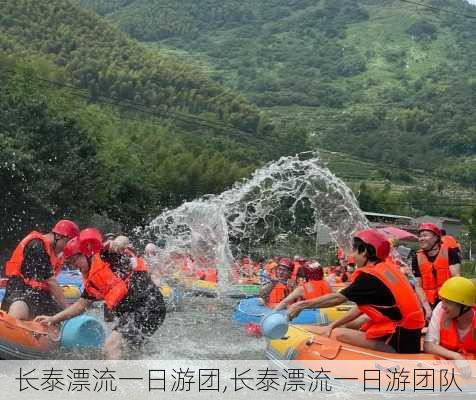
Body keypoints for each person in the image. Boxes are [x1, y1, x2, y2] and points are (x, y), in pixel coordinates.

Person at [35, 228, 166, 359]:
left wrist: (118, 242)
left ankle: (117, 378)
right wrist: (53, 319)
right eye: (69, 264)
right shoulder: (92, 281)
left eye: (74, 261)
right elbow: (80, 306)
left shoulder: (106, 255)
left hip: (148, 305)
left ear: (84, 253)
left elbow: (122, 241)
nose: (74, 266)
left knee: (111, 345)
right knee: (131, 350)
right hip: (137, 312)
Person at [288, 229, 425, 353]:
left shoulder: (369, 278)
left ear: (364, 251)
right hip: (408, 334)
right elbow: (363, 308)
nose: (352, 255)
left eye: (354, 250)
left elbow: (337, 299)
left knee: (338, 334)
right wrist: (333, 324)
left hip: (398, 340)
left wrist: (301, 305)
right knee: (348, 325)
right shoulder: (387, 268)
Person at [1, 219, 80, 320]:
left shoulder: (54, 252)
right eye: (67, 243)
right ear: (59, 236)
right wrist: (68, 310)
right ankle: (11, 325)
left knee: (57, 314)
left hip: (39, 294)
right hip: (19, 288)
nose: (66, 248)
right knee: (21, 303)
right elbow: (51, 281)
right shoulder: (37, 245)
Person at [424, 277, 475, 377]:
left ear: (464, 306)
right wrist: (456, 356)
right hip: (445, 368)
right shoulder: (440, 308)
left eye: (448, 302)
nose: (443, 306)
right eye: (443, 300)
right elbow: (428, 345)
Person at [412, 223, 461, 317]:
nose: (421, 238)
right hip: (428, 302)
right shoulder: (416, 258)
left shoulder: (450, 253)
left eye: (425, 235)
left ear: (436, 238)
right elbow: (418, 286)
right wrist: (427, 309)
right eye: (420, 236)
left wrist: (452, 305)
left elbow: (456, 278)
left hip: (447, 301)